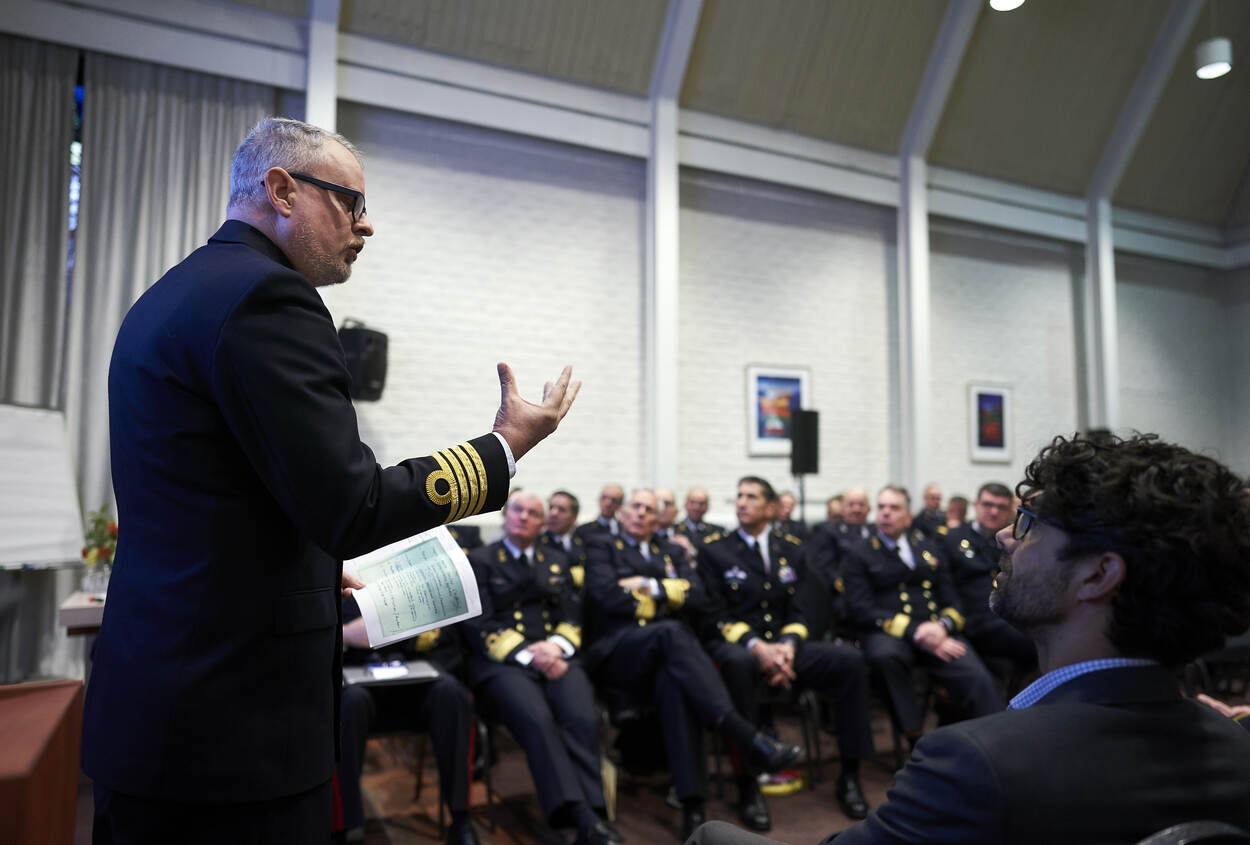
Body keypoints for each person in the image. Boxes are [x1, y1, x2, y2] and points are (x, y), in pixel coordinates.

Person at [82, 117, 579, 844]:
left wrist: (310, 564)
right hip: (232, 725)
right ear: (282, 190)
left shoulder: (173, 293)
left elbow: (215, 496)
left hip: (160, 695)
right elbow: (354, 504)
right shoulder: (268, 298)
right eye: (351, 202)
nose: (366, 225)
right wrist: (504, 447)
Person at [689, 433, 1250, 845]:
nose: (1004, 536)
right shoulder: (1234, 747)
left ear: (1098, 575)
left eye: (1029, 525)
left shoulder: (973, 764)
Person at [584, 488, 801, 841]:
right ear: (622, 513)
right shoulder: (601, 546)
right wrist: (670, 595)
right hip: (618, 655)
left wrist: (646, 586)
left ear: (658, 518)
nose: (640, 513)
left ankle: (693, 804)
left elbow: (698, 596)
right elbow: (606, 597)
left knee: (678, 686)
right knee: (672, 632)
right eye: (635, 506)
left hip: (667, 659)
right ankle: (746, 735)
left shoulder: (670, 550)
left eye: (648, 509)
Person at [699, 478, 872, 830]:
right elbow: (713, 615)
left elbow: (801, 609)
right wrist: (758, 647)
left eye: (751, 497)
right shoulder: (715, 550)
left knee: (850, 661)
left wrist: (787, 648)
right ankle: (749, 784)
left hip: (784, 647)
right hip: (740, 646)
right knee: (738, 665)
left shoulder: (791, 548)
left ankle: (851, 774)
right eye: (739, 496)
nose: (742, 502)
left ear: (771, 507)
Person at [464, 492, 620, 845]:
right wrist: (528, 654)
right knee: (538, 720)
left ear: (542, 522)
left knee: (582, 716)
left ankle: (596, 811)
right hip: (504, 662)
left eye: (533, 513)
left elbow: (572, 616)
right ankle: (580, 817)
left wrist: (556, 648)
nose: (524, 517)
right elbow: (478, 625)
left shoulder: (556, 560)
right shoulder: (481, 560)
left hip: (554, 655)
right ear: (505, 515)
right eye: (517, 510)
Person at [839, 486, 1000, 744]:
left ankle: (995, 739)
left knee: (975, 675)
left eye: (894, 508)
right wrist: (916, 631)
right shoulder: (859, 552)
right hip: (888, 632)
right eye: (881, 507)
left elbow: (951, 598)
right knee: (885, 657)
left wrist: (943, 626)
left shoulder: (928, 547)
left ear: (908, 517)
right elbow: (859, 608)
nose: (886, 513)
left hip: (936, 631)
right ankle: (914, 736)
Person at [337, 604, 477, 844]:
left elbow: (447, 632)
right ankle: (347, 826)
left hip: (413, 679)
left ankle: (461, 817)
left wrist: (390, 630)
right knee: (348, 704)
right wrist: (346, 634)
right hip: (356, 679)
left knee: (452, 694)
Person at [935, 482, 1035, 676]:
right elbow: (944, 586)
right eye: (988, 505)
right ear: (976, 505)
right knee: (1034, 640)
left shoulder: (1015, 541)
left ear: (1010, 511)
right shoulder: (951, 539)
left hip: (1007, 615)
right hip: (972, 620)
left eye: (1001, 507)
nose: (993, 512)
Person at [541, 489, 587, 587]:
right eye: (551, 507)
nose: (553, 513)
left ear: (574, 517)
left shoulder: (583, 541)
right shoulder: (537, 542)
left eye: (561, 510)